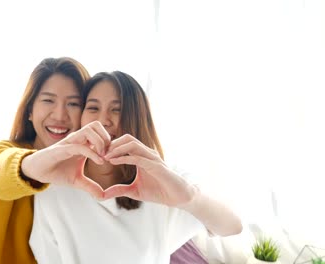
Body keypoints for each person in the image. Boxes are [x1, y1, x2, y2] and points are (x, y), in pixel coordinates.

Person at [24, 71, 242, 263]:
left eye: (116, 110)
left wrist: (190, 198)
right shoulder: (56, 185)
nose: (103, 120)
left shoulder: (161, 179)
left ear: (136, 119)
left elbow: (232, 226)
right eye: (93, 108)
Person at [0, 56, 91, 263]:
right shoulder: (5, 151)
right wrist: (33, 167)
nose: (60, 115)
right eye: (48, 100)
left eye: (73, 103)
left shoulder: (91, 171)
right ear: (29, 110)